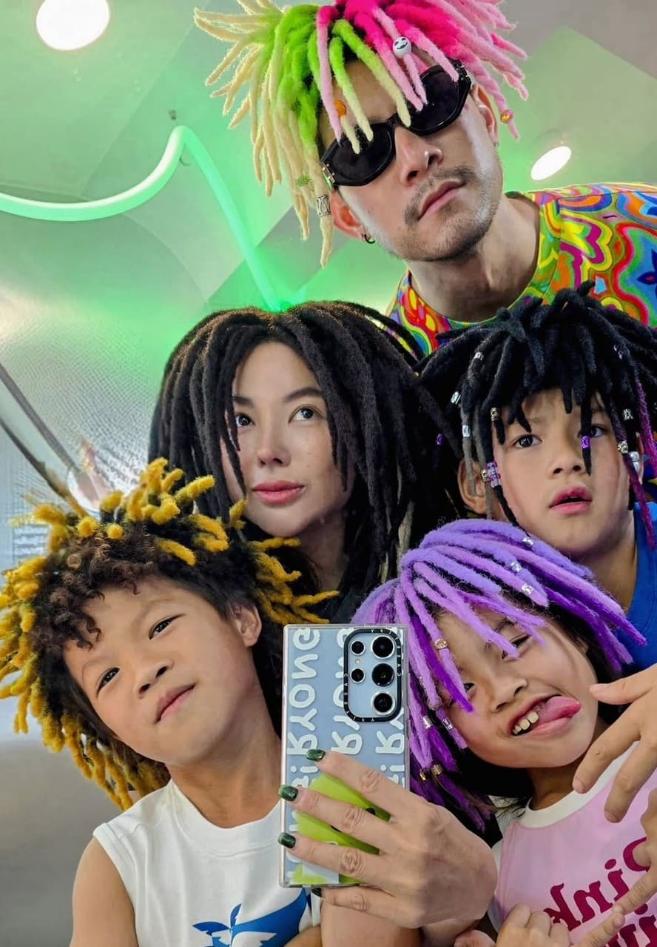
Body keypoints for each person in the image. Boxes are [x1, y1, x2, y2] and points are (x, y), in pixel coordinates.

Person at [0, 459, 335, 947]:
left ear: (241, 618)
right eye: (108, 676)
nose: (144, 672)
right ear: (108, 727)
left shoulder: (349, 785)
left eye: (159, 626)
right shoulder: (118, 865)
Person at [194, 0, 657, 351]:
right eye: (363, 152)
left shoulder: (646, 225)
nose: (415, 156)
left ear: (485, 115)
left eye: (429, 102)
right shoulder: (398, 388)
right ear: (348, 217)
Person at [300, 518, 657, 945]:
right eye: (459, 690)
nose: (504, 690)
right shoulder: (492, 882)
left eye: (516, 642)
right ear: (444, 735)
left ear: (572, 626)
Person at [149, 302, 449, 615]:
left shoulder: (447, 578)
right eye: (241, 420)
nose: (269, 452)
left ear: (366, 422)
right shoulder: (198, 611)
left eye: (305, 413)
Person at [420, 284, 657, 668]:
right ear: (478, 484)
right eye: (526, 440)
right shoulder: (474, 614)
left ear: (636, 454)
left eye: (593, 430)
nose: (567, 460)